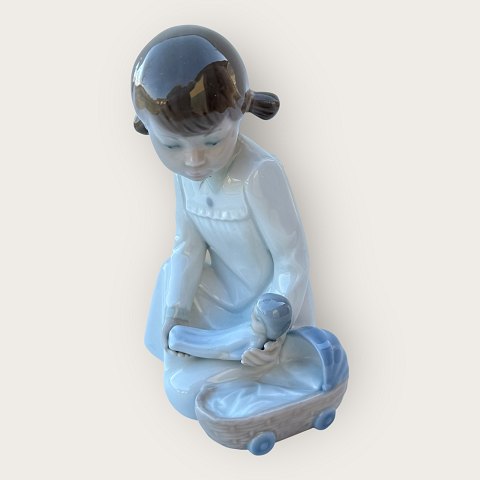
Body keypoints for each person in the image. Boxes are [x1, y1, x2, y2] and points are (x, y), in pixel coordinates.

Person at [132, 25, 316, 418]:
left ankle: (266, 368)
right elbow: (188, 245)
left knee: (184, 390)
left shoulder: (259, 174)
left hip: (267, 307)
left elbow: (292, 260)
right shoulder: (186, 177)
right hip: (223, 297)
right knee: (170, 275)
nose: (193, 160)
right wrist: (177, 311)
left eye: (212, 141)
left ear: (238, 117)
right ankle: (206, 362)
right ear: (145, 129)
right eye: (171, 145)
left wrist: (273, 326)